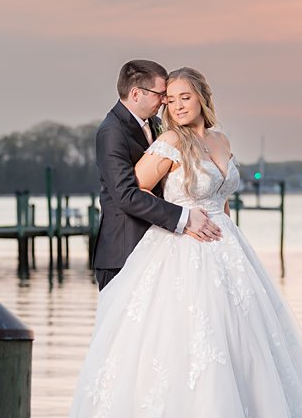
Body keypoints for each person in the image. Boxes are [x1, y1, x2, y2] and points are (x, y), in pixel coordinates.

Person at [66, 67, 302, 418]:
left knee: (244, 336)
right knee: (193, 335)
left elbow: (223, 196)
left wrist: (227, 230)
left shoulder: (220, 139)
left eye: (183, 98)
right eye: (169, 99)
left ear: (202, 98)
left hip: (226, 245)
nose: (174, 106)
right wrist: (183, 217)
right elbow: (131, 190)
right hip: (183, 245)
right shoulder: (169, 141)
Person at [93, 60, 221, 292]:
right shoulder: (111, 132)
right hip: (123, 251)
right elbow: (126, 195)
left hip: (161, 247)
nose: (165, 102)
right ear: (135, 94)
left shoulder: (157, 124)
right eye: (162, 95)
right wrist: (186, 217)